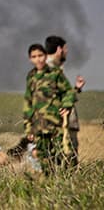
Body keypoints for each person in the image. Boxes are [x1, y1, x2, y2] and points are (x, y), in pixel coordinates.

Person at [25, 38, 77, 172]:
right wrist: (28, 127)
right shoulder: (31, 77)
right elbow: (28, 102)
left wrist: (66, 106)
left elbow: (68, 92)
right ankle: (49, 188)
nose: (38, 60)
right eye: (34, 57)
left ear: (46, 56)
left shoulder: (55, 74)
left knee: (64, 158)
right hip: (39, 126)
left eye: (40, 56)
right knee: (44, 162)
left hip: (56, 125)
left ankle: (68, 186)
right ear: (30, 59)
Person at [46, 35, 85, 161]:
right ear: (59, 49)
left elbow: (61, 96)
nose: (67, 52)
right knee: (66, 161)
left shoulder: (53, 70)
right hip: (60, 125)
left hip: (61, 124)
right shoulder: (50, 71)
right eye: (65, 48)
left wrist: (76, 89)